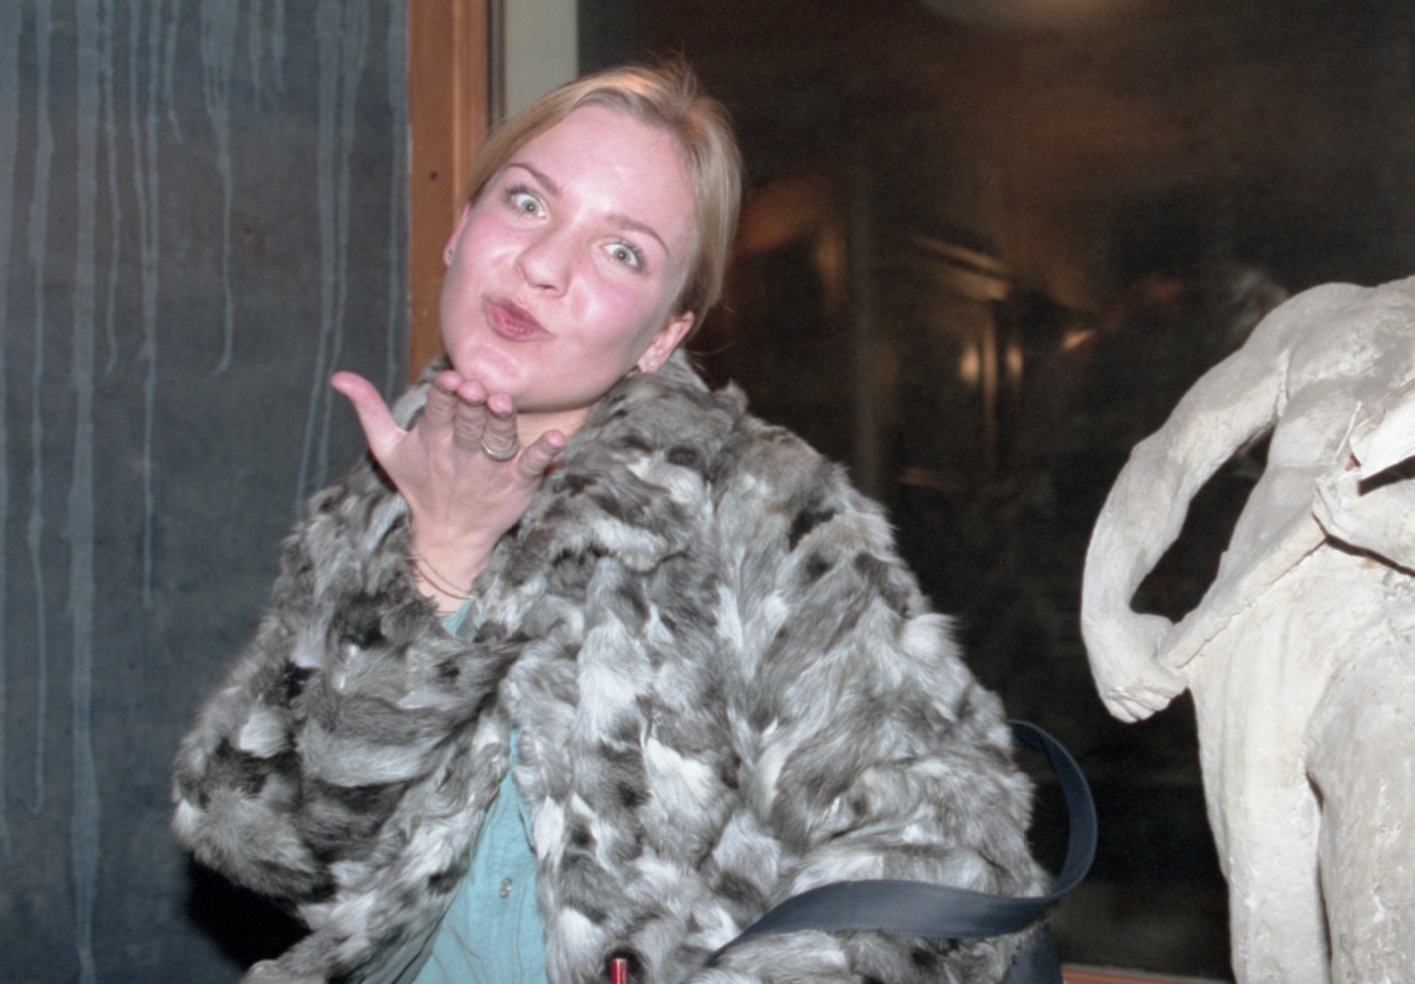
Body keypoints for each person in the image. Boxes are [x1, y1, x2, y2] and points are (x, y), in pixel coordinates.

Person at [172, 63, 1047, 984]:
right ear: (462, 227)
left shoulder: (756, 507)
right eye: (526, 202)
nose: (544, 266)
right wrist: (442, 560)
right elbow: (255, 837)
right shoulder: (377, 499)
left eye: (621, 251)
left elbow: (952, 847)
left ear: (665, 334)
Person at [1079, 91, 1415, 984]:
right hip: (1256, 636)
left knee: (1395, 937)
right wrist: (1107, 612)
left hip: (1414, 636)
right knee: (1274, 952)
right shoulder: (1322, 315)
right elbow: (1174, 454)